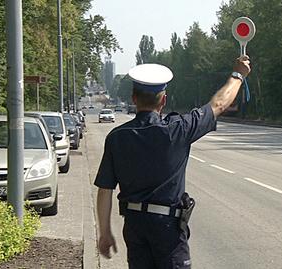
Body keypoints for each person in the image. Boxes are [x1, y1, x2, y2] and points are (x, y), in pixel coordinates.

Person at [95, 55, 251, 268]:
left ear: (133, 98)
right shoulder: (179, 129)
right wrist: (238, 75)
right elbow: (219, 104)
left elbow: (105, 189)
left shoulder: (116, 137)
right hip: (168, 229)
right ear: (163, 100)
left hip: (135, 227)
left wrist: (104, 232)